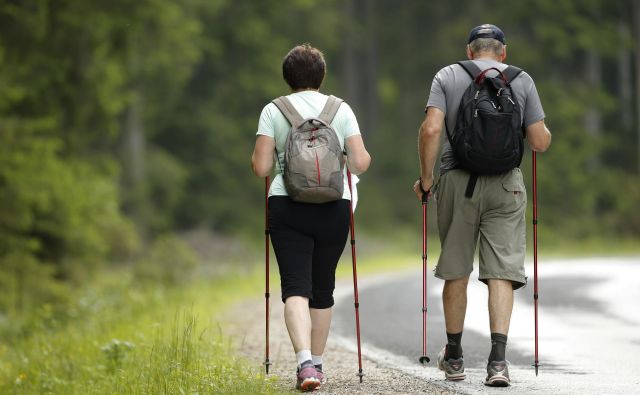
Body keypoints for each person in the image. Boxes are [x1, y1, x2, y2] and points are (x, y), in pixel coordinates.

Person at [413, 24, 552, 387]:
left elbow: (431, 130)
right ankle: (498, 363)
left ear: (469, 50)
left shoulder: (447, 75)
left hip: (458, 182)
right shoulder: (521, 80)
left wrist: (427, 181)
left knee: (457, 268)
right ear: (502, 52)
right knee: (502, 272)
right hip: (507, 187)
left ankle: (455, 357)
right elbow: (539, 142)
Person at [252, 44, 371, 392]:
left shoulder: (273, 110)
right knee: (323, 287)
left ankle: (303, 363)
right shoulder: (341, 109)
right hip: (335, 205)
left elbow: (261, 167)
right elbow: (360, 163)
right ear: (322, 76)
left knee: (295, 287)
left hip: (286, 205)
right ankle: (317, 364)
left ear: (287, 78)